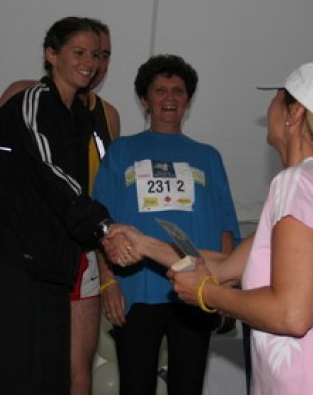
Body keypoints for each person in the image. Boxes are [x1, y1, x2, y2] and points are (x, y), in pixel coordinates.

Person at [105, 62, 313, 395]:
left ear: (294, 113)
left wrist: (206, 293)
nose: (268, 109)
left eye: (276, 98)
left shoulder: (299, 184)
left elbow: (292, 315)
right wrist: (144, 244)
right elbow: (225, 267)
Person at [0, 19, 119, 395]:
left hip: (59, 259)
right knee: (10, 375)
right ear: (51, 54)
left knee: (55, 378)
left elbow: (96, 185)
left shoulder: (87, 116)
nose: (91, 63)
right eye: (79, 53)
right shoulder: (29, 98)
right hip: (15, 257)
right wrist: (105, 227)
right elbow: (49, 172)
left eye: (98, 55)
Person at [92, 54, 240, 395]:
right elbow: (101, 226)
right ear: (144, 100)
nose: (169, 98)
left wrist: (226, 290)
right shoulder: (121, 151)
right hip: (136, 290)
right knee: (135, 387)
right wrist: (108, 282)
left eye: (178, 91)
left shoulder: (209, 156)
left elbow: (226, 228)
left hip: (197, 290)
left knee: (188, 387)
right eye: (160, 90)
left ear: (187, 100)